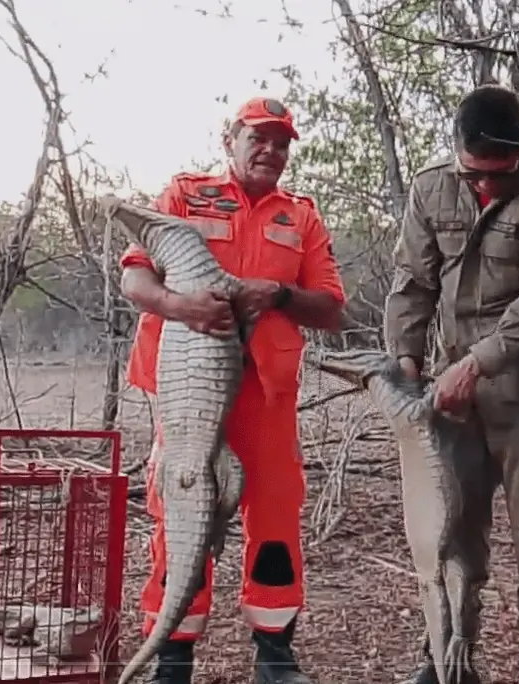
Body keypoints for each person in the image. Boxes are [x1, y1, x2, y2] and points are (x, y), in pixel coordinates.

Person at [118, 96, 346, 684]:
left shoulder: (302, 216)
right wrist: (179, 306)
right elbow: (135, 275)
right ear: (231, 140)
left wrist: (277, 294)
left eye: (282, 142)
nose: (271, 150)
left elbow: (330, 307)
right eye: (259, 138)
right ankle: (173, 657)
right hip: (187, 394)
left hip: (265, 394)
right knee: (180, 513)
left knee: (274, 519)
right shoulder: (185, 195)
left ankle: (275, 654)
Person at [385, 84, 519, 684]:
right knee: (448, 536)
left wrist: (478, 363)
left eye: (503, 173)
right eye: (474, 176)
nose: (487, 188)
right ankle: (444, 659)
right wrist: (408, 364)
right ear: (457, 153)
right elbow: (413, 282)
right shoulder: (429, 187)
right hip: (448, 398)